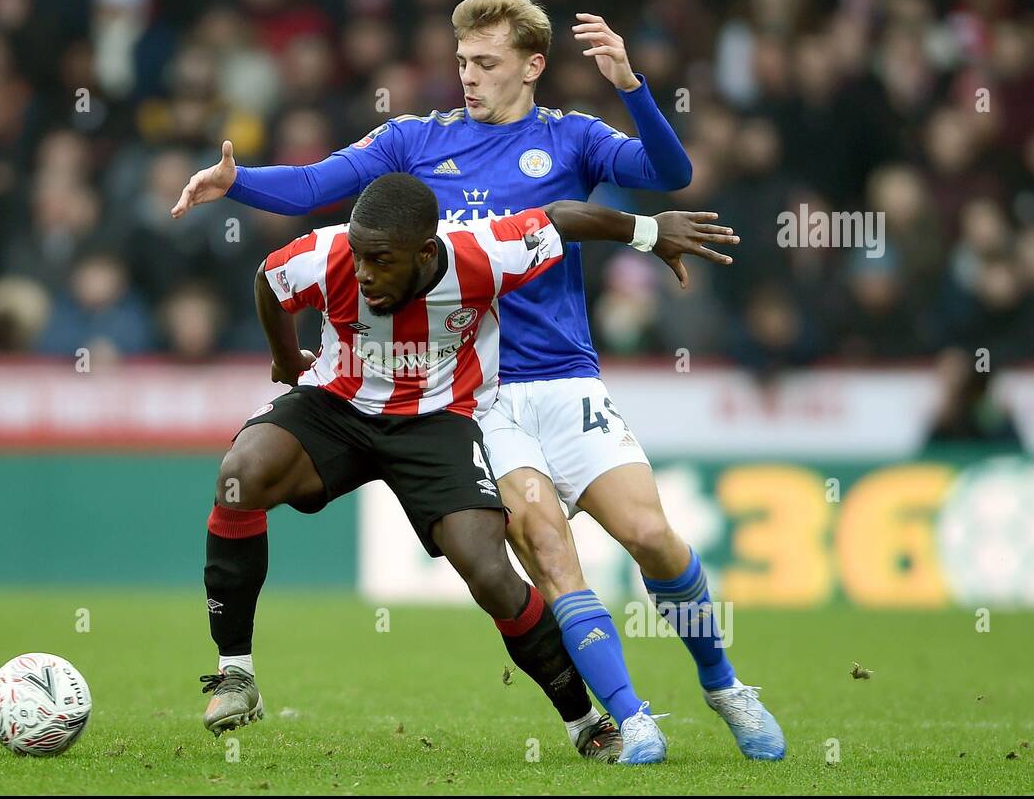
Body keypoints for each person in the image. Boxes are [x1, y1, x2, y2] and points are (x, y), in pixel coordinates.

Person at [173, 0, 785, 761]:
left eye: (487, 63)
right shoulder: (415, 140)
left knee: (653, 538)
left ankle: (725, 684)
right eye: (462, 61)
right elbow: (315, 186)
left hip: (566, 377)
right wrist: (237, 182)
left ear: (533, 67)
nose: (468, 77)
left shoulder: (572, 138)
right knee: (544, 553)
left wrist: (631, 86)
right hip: (479, 395)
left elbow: (671, 170)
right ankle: (628, 718)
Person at [199, 171, 737, 764]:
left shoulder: (482, 253)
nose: (365, 274)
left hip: (438, 421)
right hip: (339, 404)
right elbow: (268, 282)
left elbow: (563, 217)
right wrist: (284, 360)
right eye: (360, 257)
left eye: (381, 261)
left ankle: (585, 721)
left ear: (426, 253)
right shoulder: (325, 256)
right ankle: (236, 674)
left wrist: (648, 231)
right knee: (239, 476)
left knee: (489, 572)